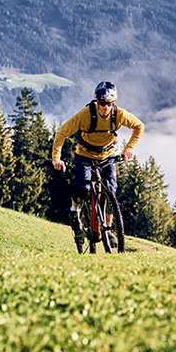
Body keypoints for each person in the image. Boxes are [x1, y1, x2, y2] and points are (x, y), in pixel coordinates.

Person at [51, 81, 144, 251]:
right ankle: (75, 211)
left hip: (108, 155)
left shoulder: (119, 115)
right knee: (83, 189)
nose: (104, 108)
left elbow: (139, 126)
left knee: (110, 191)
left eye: (108, 104)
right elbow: (62, 132)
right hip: (84, 155)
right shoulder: (86, 115)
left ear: (113, 103)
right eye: (101, 104)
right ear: (97, 102)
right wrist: (56, 158)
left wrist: (128, 148)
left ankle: (107, 230)